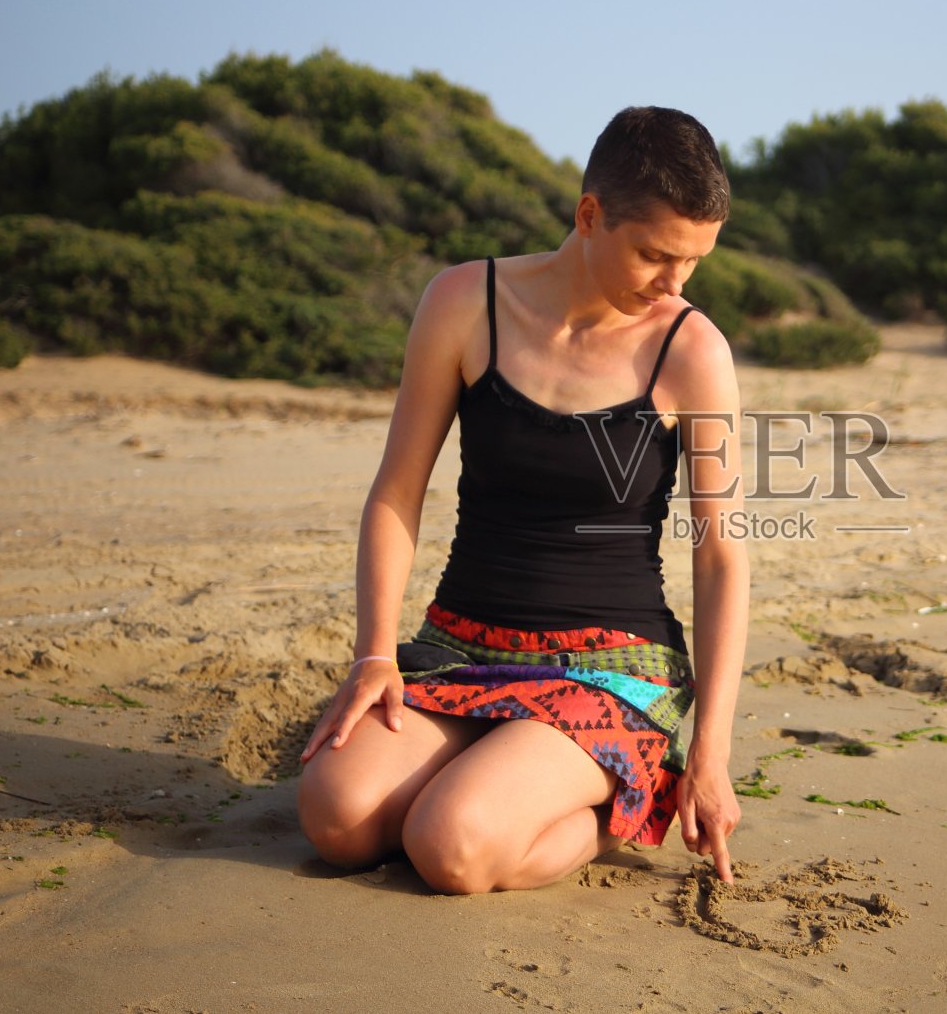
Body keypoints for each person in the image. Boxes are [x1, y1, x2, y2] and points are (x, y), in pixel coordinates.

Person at [297, 107, 747, 893]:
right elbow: (397, 490)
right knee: (336, 818)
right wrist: (376, 652)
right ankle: (499, 773)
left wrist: (709, 751)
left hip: (613, 671)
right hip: (464, 646)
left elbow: (720, 558)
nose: (676, 284)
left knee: (450, 846)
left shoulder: (692, 349)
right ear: (589, 215)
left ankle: (618, 804)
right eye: (655, 255)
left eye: (693, 262)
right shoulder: (465, 301)